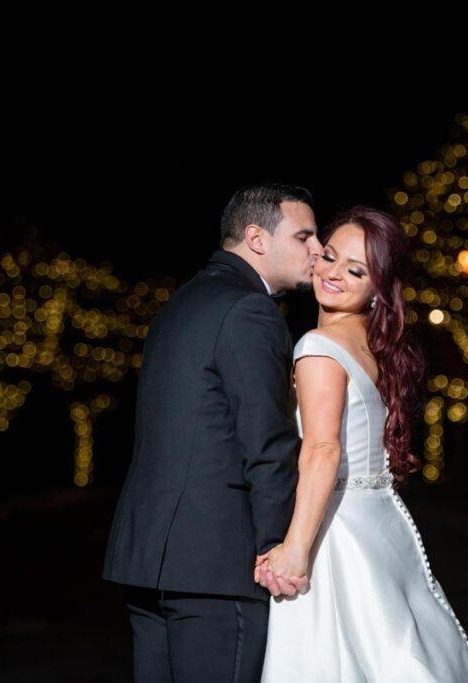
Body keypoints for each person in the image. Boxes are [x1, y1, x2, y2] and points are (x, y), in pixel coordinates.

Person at [255, 206, 468, 682]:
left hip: (335, 532)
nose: (334, 274)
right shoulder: (372, 343)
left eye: (356, 270)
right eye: (329, 256)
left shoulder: (318, 346)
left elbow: (323, 450)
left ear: (379, 288)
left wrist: (296, 550)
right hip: (379, 524)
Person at [103, 183, 321, 682]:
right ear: (256, 238)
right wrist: (277, 549)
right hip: (217, 567)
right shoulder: (251, 309)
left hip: (148, 561)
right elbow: (266, 443)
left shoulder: (181, 302)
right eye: (304, 235)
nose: (317, 249)